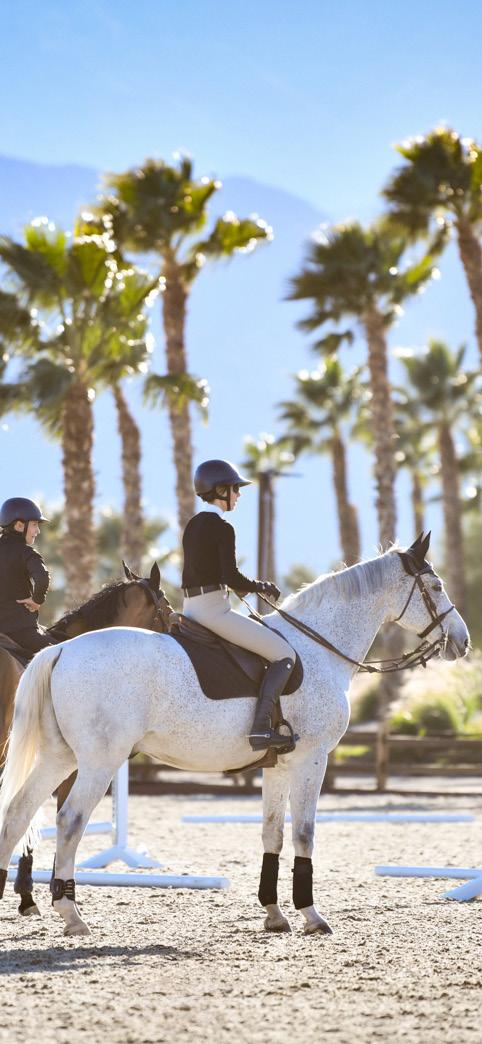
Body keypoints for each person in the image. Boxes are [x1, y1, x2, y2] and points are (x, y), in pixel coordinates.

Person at [182, 459, 297, 751]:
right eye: (235, 489)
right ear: (220, 490)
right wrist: (261, 586)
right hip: (213, 611)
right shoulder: (223, 528)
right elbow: (230, 576)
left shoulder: (192, 525)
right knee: (284, 654)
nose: (239, 494)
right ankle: (261, 729)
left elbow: (208, 572)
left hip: (189, 608)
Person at [0, 497, 53, 655]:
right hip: (20, 631)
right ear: (19, 525)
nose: (38, 531)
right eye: (35, 524)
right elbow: (42, 578)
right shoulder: (26, 552)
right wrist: (37, 600)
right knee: (69, 654)